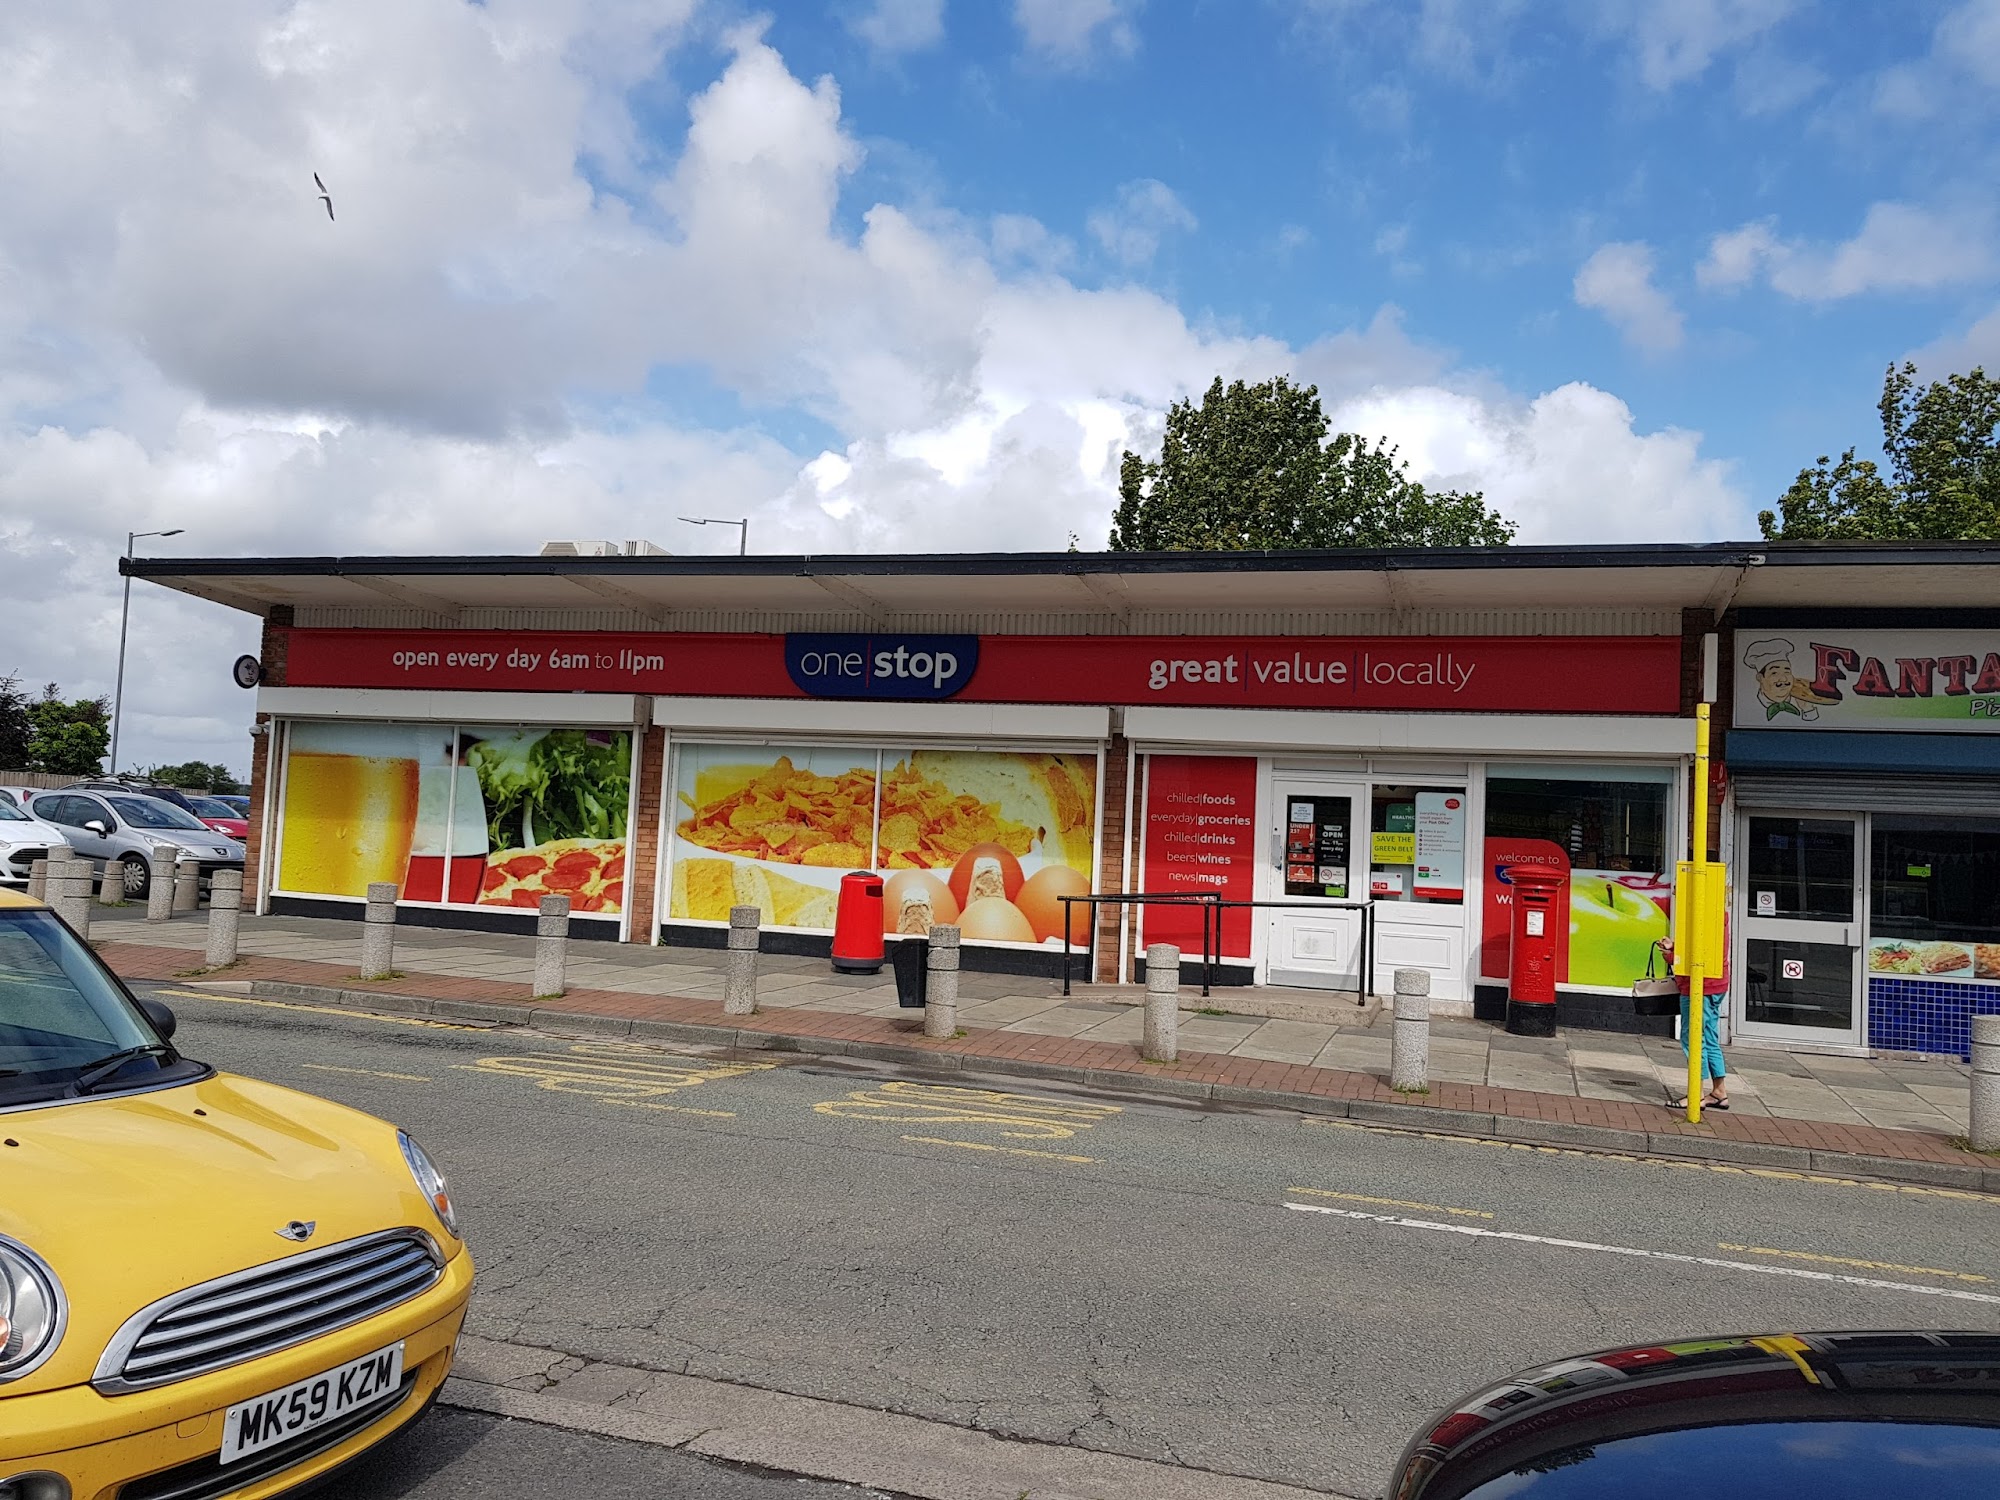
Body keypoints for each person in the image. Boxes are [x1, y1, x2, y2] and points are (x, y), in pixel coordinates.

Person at [1660, 919, 1729, 1110]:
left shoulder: (1700, 915)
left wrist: (1670, 955)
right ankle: (1719, 1092)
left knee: (1693, 1039)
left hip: (1699, 987)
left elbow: (1695, 957)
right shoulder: (1716, 916)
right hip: (1716, 984)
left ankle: (1696, 1095)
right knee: (1710, 1038)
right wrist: (1674, 947)